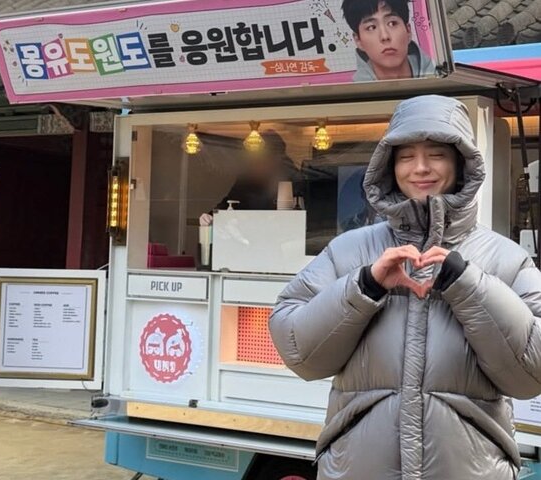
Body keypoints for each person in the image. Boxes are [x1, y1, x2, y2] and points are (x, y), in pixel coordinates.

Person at [269, 95, 541, 479]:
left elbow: (530, 376)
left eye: (437, 155)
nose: (420, 168)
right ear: (389, 166)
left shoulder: (506, 259)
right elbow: (299, 352)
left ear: (461, 163)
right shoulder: (348, 251)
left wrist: (469, 286)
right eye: (406, 156)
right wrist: (365, 286)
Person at [199, 130, 302, 225]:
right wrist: (210, 217)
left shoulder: (294, 180)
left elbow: (303, 217)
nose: (254, 164)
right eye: (253, 159)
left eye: (261, 159)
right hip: (248, 236)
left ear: (277, 159)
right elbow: (229, 203)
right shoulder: (246, 181)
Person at [342, 0, 436, 81]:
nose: (385, 36)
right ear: (358, 40)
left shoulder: (440, 78)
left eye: (392, 23)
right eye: (371, 27)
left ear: (408, 31)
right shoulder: (354, 95)